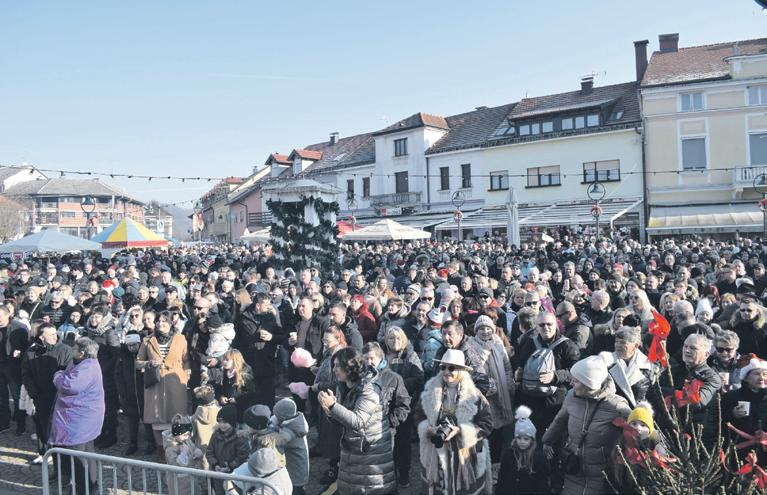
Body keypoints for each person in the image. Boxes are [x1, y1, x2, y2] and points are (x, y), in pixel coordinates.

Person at [542, 356, 631, 495]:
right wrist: (547, 441)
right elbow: (560, 421)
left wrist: (656, 443)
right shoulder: (571, 396)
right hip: (573, 467)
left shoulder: (616, 406)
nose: (571, 383)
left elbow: (639, 428)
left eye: (576, 380)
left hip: (601, 474)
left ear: (590, 383)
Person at [317, 347, 397, 494]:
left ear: (350, 367)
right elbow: (343, 420)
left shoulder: (369, 389)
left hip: (369, 452)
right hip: (353, 451)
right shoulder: (344, 386)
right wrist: (329, 410)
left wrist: (333, 406)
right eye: (334, 365)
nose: (334, 370)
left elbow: (358, 421)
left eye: (338, 366)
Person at [416, 349, 493, 495]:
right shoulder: (429, 391)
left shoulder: (474, 395)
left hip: (465, 456)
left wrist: (461, 431)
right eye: (443, 367)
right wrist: (428, 429)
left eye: (451, 368)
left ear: (461, 370)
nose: (446, 372)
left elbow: (487, 424)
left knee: (464, 490)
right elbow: (418, 416)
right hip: (436, 452)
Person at [49, 337, 105, 494]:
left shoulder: (88, 367)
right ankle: (90, 487)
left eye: (74, 348)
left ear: (82, 352)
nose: (71, 349)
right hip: (81, 418)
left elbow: (70, 386)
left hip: (80, 420)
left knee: (79, 457)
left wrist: (58, 376)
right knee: (87, 453)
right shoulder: (81, 362)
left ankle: (84, 489)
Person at [136, 311, 191, 452]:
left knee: (178, 415)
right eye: (158, 321)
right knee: (157, 416)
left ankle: (180, 449)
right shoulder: (148, 340)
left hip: (175, 381)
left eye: (164, 321)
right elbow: (138, 363)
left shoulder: (180, 338)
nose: (160, 324)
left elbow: (186, 359)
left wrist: (185, 376)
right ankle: (161, 450)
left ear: (171, 322)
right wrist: (148, 363)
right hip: (155, 382)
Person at [464, 314, 514, 467]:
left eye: (488, 328)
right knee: (485, 429)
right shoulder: (470, 346)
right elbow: (473, 368)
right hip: (483, 395)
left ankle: (495, 464)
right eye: (481, 329)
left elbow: (507, 366)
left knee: (498, 431)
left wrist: (507, 384)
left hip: (501, 393)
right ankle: (481, 464)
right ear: (476, 331)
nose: (485, 331)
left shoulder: (498, 343)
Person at [21, 323, 74, 464]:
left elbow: (70, 374)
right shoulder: (31, 351)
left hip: (59, 397)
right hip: (39, 396)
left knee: (59, 429)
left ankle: (61, 459)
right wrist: (34, 393)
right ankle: (44, 452)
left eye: (55, 333)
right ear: (41, 337)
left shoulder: (66, 350)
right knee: (41, 425)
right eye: (51, 335)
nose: (55, 336)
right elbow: (26, 374)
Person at [382, 326, 424, 488]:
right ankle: (388, 473)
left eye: (398, 338)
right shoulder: (382, 355)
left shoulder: (410, 356)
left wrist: (398, 385)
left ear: (404, 339)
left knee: (403, 442)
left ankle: (404, 473)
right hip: (384, 406)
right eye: (391, 338)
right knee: (386, 442)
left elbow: (419, 378)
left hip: (404, 405)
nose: (395, 341)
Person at [115, 331, 155, 456]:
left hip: (144, 395)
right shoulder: (123, 358)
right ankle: (133, 443)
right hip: (129, 395)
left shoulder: (145, 356)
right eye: (129, 345)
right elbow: (118, 376)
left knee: (147, 421)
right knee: (132, 422)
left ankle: (151, 443)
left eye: (134, 345)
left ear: (139, 344)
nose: (132, 347)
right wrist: (122, 393)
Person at [496, 405, 549, 495]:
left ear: (532, 440)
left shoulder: (539, 458)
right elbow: (502, 479)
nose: (522, 442)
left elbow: (542, 485)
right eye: (519, 438)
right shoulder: (509, 454)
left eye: (526, 439)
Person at [598, 326, 656, 408]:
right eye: (616, 342)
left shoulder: (648, 366)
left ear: (635, 346)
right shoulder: (606, 362)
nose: (618, 345)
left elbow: (652, 397)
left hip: (636, 413)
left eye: (622, 342)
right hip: (610, 411)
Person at [265, 398, 310, 495]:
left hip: (297, 475)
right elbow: (274, 419)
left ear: (283, 418)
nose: (275, 417)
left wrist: (259, 436)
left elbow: (276, 440)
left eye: (277, 416)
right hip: (293, 469)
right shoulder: (294, 419)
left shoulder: (292, 432)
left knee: (296, 492)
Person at [206, 404, 249, 495]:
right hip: (217, 474)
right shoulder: (215, 435)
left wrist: (230, 467)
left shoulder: (240, 437)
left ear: (232, 422)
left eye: (225, 422)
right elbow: (209, 452)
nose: (222, 425)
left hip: (234, 476)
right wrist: (215, 464)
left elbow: (242, 456)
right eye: (220, 422)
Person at [164, 414, 204, 495]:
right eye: (185, 435)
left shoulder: (186, 441)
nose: (187, 437)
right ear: (176, 434)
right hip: (179, 484)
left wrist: (197, 451)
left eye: (189, 435)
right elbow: (174, 464)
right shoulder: (170, 448)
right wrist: (183, 453)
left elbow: (193, 448)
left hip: (191, 480)